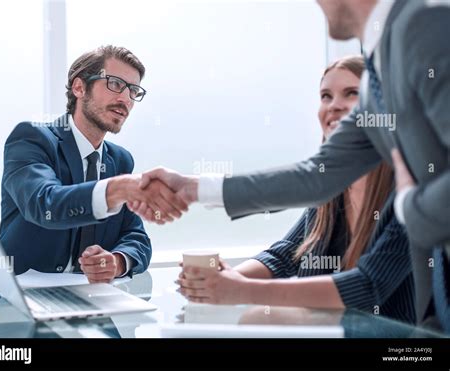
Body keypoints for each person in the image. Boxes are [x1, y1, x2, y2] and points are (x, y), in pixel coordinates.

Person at [132, 0, 450, 331]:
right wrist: (191, 188)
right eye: (325, 96)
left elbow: (372, 281)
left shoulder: (423, 25)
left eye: (347, 94)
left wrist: (409, 203)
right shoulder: (377, 80)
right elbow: (314, 179)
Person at [177, 56, 415, 323]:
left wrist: (241, 289)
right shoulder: (330, 190)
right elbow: (285, 255)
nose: (334, 105)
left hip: (403, 346)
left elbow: (368, 286)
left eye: (351, 94)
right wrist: (221, 280)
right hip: (340, 330)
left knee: (262, 318)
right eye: (326, 96)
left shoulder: (409, 192)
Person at [0, 45, 187, 281]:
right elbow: (45, 203)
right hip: (19, 294)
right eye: (116, 84)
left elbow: (135, 235)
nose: (126, 99)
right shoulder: (33, 138)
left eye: (133, 91)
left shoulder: (120, 160)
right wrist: (117, 189)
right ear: (79, 87)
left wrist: (117, 262)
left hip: (89, 299)